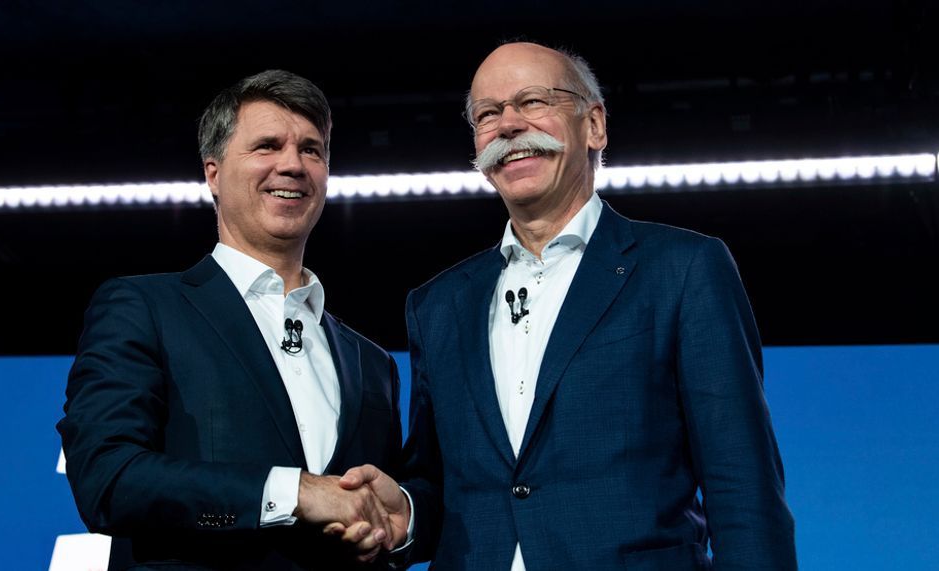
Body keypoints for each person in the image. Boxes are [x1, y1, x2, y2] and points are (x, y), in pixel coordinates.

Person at [339, 42, 798, 570]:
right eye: (487, 114)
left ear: (594, 125)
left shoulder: (684, 268)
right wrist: (408, 513)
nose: (507, 125)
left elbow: (743, 487)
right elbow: (443, 484)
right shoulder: (437, 305)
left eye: (533, 101)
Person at [57, 69, 403, 570]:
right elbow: (107, 478)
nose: (293, 164)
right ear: (213, 173)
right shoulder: (141, 307)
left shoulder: (371, 363)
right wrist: (294, 492)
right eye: (267, 146)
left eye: (312, 149)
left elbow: (379, 517)